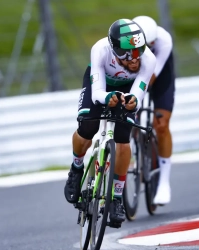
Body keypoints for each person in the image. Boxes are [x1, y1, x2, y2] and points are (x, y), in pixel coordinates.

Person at [64, 18, 156, 225]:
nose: (134, 59)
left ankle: (116, 197)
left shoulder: (148, 59)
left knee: (123, 138)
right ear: (114, 49)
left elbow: (138, 93)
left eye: (138, 51)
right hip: (100, 85)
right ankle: (76, 168)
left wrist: (133, 101)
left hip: (127, 87)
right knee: (88, 127)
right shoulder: (101, 49)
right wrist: (106, 97)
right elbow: (97, 91)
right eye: (127, 53)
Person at [132, 16, 175, 205]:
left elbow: (151, 77)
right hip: (132, 69)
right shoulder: (126, 39)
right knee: (127, 117)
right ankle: (136, 148)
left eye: (152, 45)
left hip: (159, 73)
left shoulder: (164, 40)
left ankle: (164, 181)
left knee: (161, 124)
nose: (148, 49)